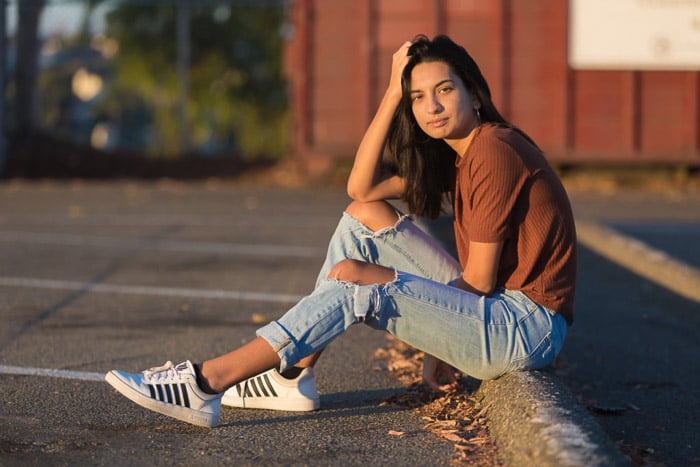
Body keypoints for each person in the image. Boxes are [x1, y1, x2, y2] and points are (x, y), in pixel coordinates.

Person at [105, 34, 577, 428]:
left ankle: (205, 382)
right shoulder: (461, 157)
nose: (431, 106)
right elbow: (362, 187)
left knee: (355, 280)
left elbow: (477, 282)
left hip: (522, 328)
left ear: (473, 93)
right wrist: (392, 92)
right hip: (498, 311)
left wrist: (441, 346)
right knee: (362, 218)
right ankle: (292, 379)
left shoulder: (494, 151)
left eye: (444, 90)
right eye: (417, 96)